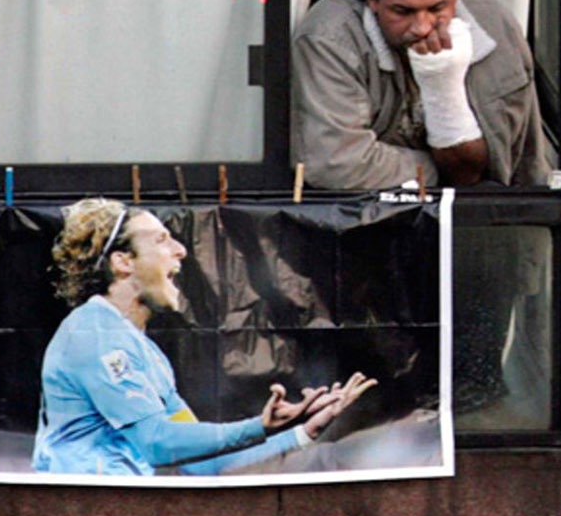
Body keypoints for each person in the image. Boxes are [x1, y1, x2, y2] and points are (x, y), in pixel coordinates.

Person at [31, 197, 375, 476]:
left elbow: (205, 464)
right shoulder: (94, 334)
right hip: (79, 515)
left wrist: (303, 431)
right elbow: (157, 443)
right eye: (161, 240)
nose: (181, 250)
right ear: (123, 262)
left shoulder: (144, 351)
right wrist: (259, 426)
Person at [291, 0, 553, 190]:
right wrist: (442, 168)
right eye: (403, 12)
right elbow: (336, 163)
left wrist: (442, 85)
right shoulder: (330, 38)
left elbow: (513, 159)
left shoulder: (494, 25)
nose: (422, 27)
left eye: (438, 8)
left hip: (491, 216)